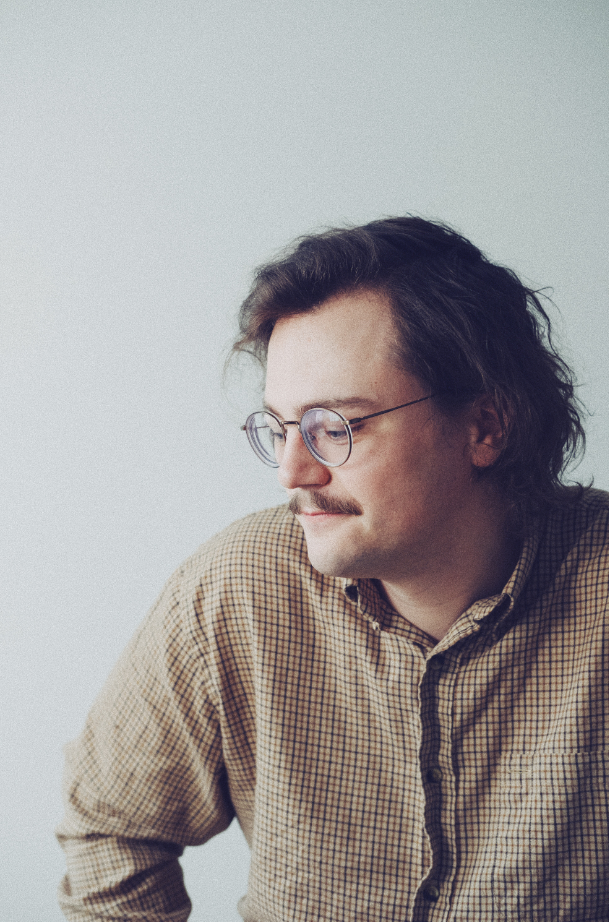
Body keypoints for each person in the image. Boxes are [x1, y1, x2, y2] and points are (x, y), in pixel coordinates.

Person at [57, 216, 609, 922]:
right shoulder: (241, 583)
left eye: (336, 427)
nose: (293, 471)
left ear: (484, 426)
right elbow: (110, 827)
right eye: (281, 428)